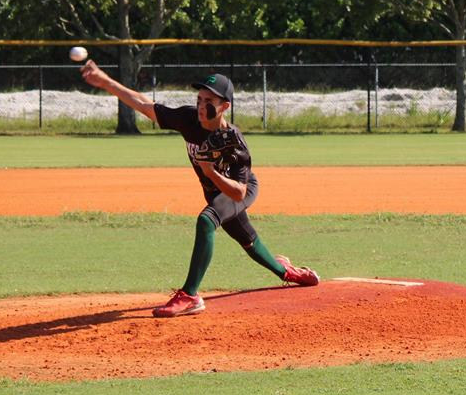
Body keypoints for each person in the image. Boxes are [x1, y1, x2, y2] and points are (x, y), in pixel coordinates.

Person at [80, 61, 320, 317]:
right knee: (247, 240)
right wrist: (105, 81)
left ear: (224, 106)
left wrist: (210, 172)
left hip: (239, 188)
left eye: (209, 100)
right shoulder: (188, 119)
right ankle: (286, 271)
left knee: (206, 221)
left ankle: (190, 295)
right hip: (215, 191)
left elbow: (238, 193)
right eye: (199, 97)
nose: (201, 105)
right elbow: (143, 104)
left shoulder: (234, 143)